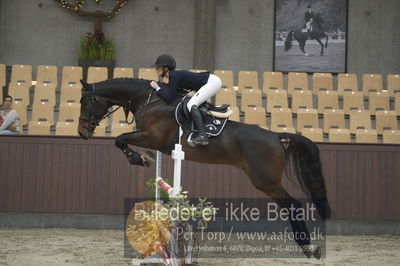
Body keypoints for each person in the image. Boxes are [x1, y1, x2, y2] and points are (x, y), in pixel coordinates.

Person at [149, 54, 222, 146]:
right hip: (209, 82)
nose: (156, 70)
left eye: (158, 67)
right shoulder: (174, 76)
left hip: (212, 82)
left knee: (191, 104)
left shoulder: (174, 76)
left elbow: (169, 99)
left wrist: (157, 88)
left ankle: (202, 135)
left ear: (166, 68)